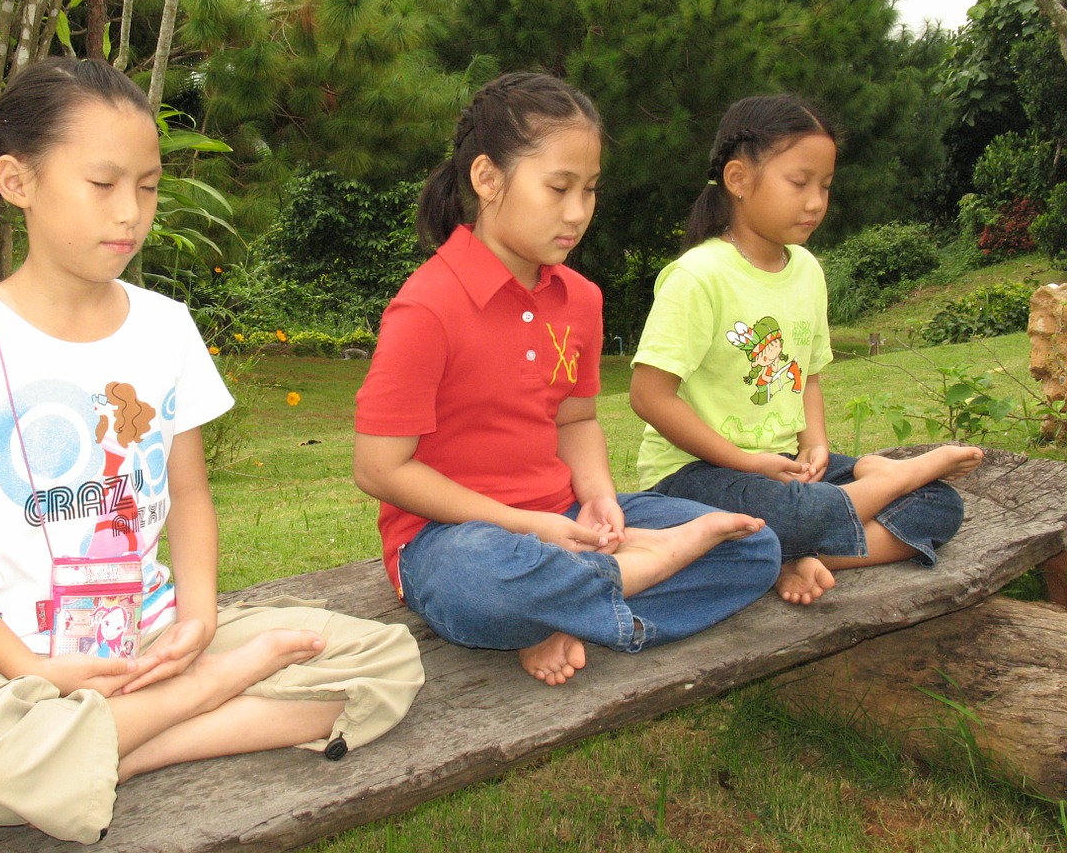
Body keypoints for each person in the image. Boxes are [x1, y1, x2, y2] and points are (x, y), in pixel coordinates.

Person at [0, 57, 423, 844]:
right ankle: (182, 715)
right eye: (103, 184)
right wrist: (27, 665)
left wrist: (199, 621)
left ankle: (114, 749)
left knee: (389, 662)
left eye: (146, 186)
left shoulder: (165, 325)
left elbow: (191, 494)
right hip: (12, 672)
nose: (130, 212)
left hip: (152, 637)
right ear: (17, 181)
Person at [352, 72, 781, 688]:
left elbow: (575, 421)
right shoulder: (427, 307)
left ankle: (566, 615)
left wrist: (601, 494)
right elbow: (379, 468)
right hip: (452, 542)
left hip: (568, 518)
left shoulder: (580, 299)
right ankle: (618, 583)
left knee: (756, 548)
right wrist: (528, 527)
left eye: (590, 190)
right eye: (558, 187)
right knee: (480, 585)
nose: (578, 212)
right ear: (487, 178)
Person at [629, 93, 983, 607]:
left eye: (825, 186)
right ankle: (880, 485)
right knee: (799, 512)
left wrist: (814, 442)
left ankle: (783, 558)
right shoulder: (699, 277)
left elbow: (807, 374)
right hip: (692, 475)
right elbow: (649, 396)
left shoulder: (807, 271)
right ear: (738, 180)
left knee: (939, 504)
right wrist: (746, 463)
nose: (816, 201)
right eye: (799, 183)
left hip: (785, 468)